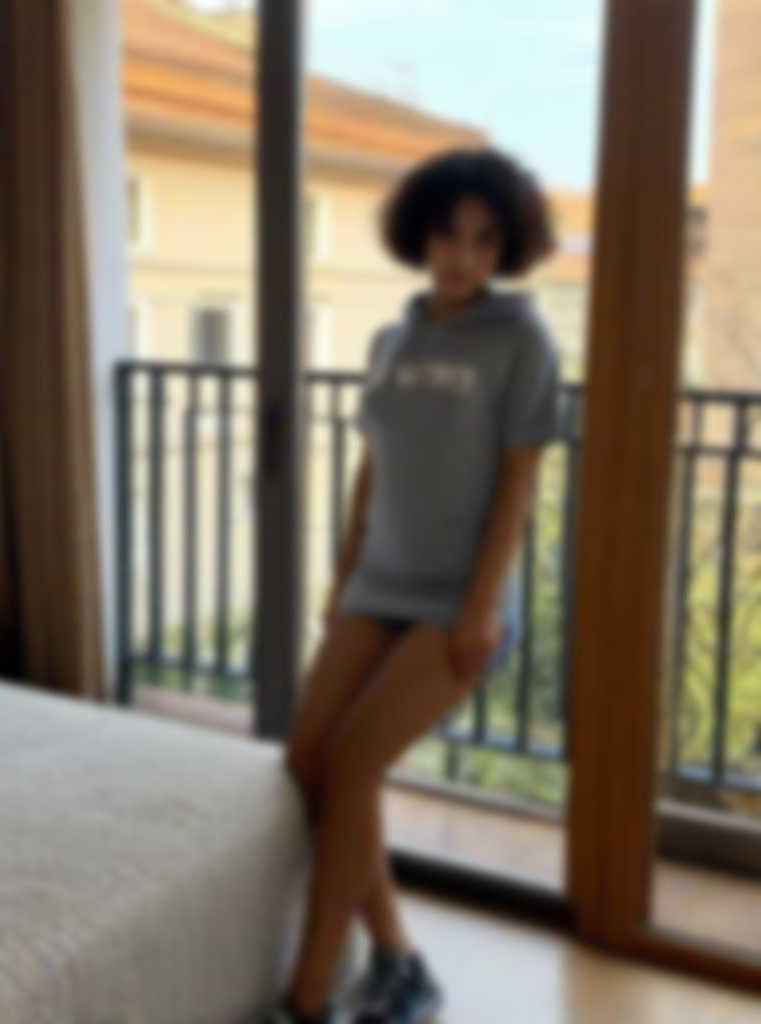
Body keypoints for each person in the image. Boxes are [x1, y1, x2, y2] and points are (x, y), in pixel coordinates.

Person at [263, 146, 562, 1024]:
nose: (462, 256)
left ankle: (305, 999)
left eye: (483, 239)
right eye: (447, 234)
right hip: (379, 580)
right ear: (419, 236)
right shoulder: (390, 340)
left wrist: (482, 607)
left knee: (354, 762)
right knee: (308, 759)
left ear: (506, 247)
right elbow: (374, 466)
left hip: (456, 600)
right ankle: (398, 957)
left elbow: (518, 484)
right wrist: (343, 574)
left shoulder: (522, 341)